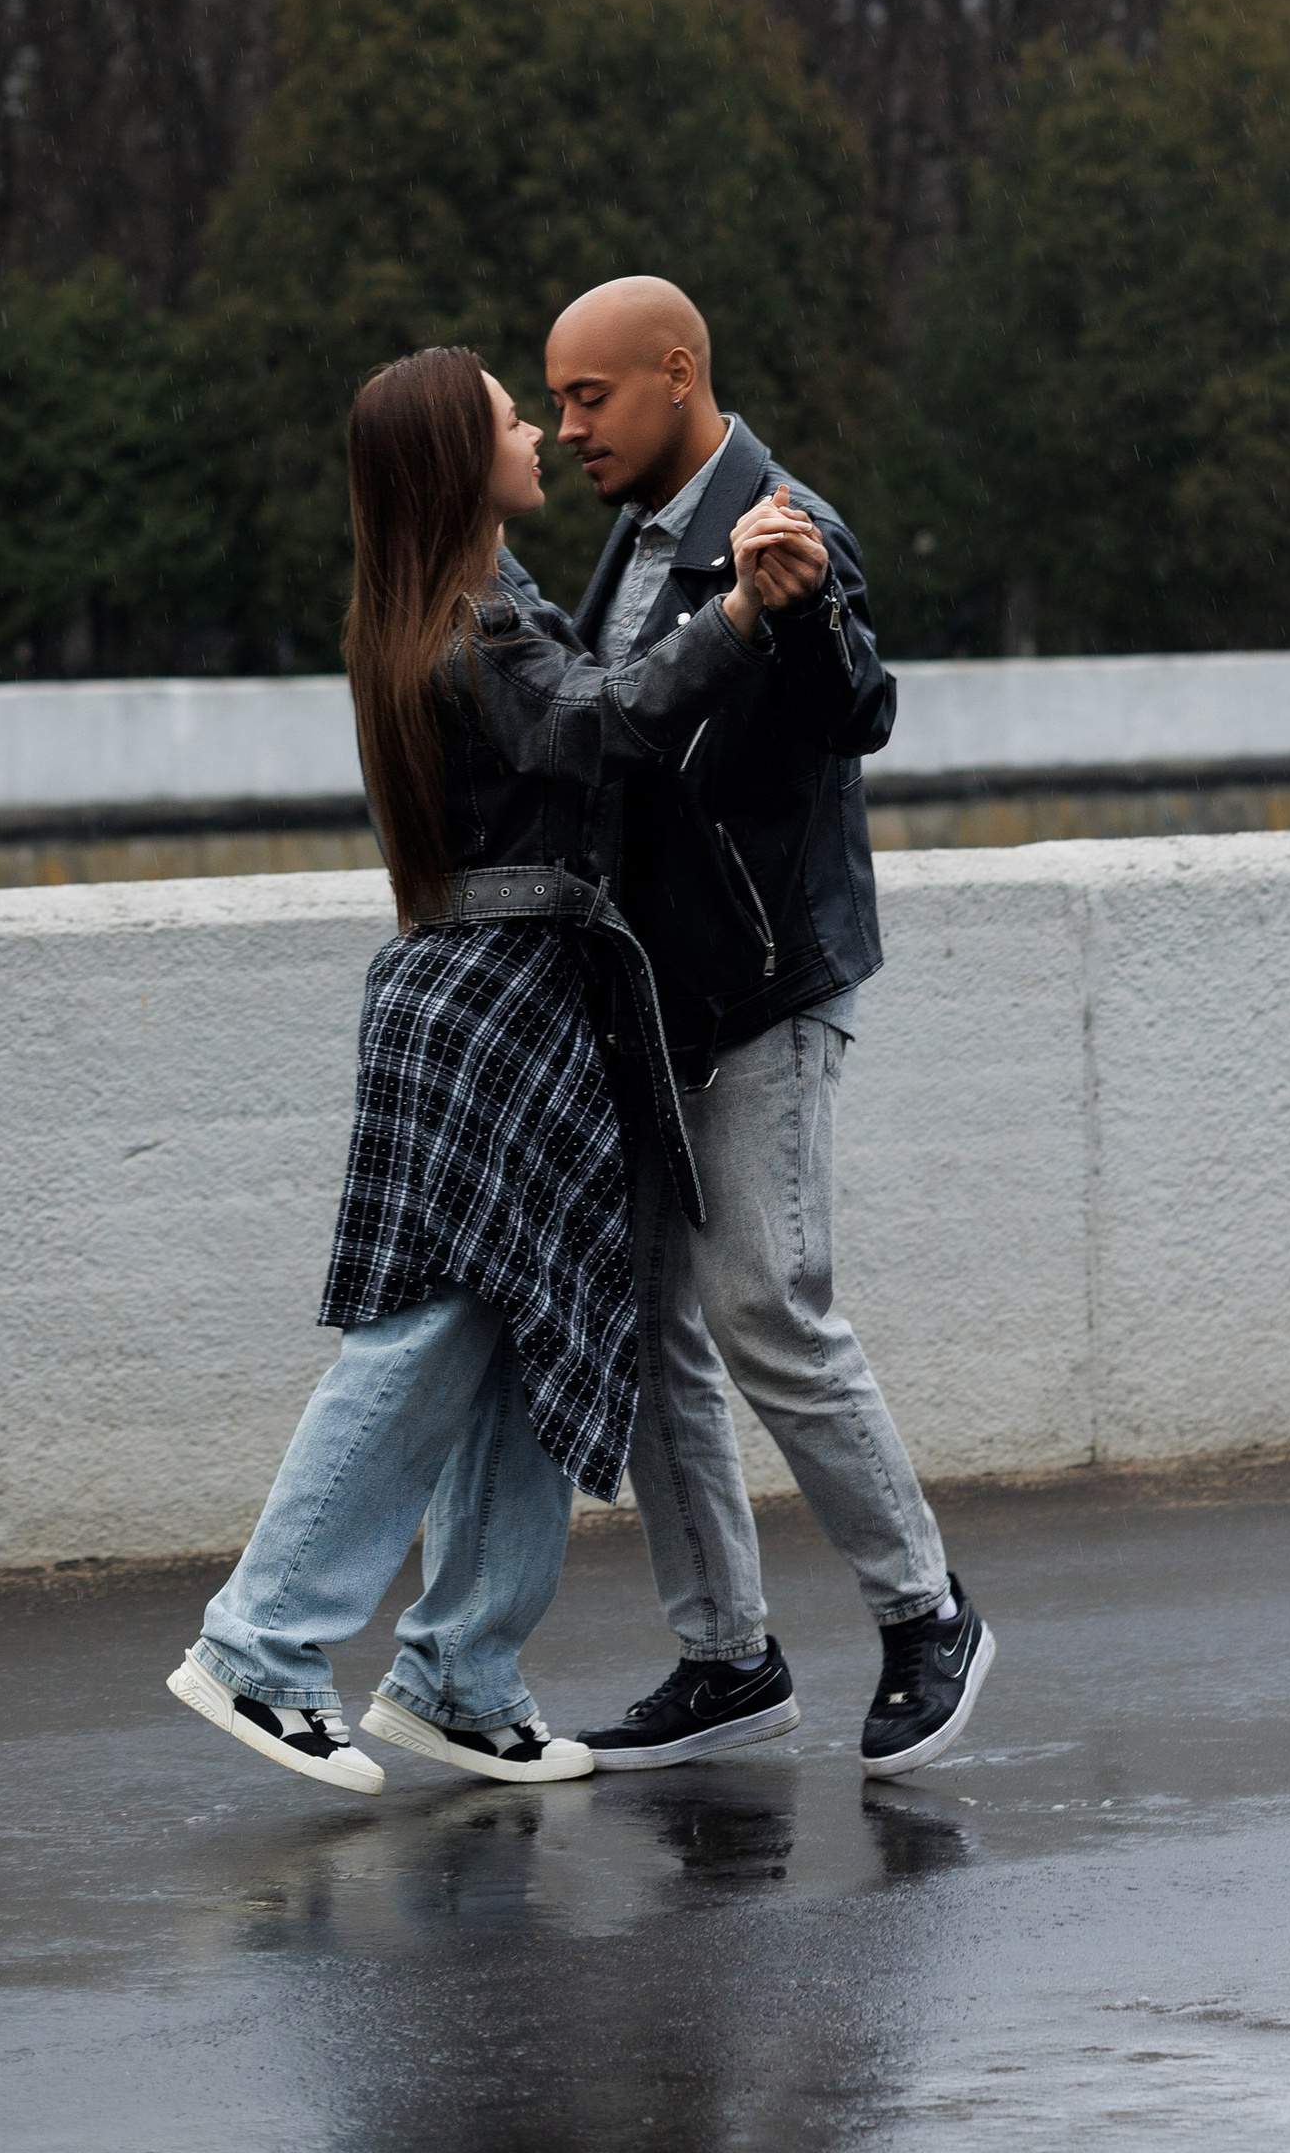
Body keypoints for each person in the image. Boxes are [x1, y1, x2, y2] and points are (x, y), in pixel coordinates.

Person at [165, 343, 824, 1796]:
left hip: (525, 1000)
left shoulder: (492, 605)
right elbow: (603, 729)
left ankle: (462, 1674)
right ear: (459, 467)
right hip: (490, 1008)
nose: (538, 429)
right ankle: (261, 1648)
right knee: (433, 1335)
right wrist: (730, 614)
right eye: (510, 419)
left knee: (535, 1331)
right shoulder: (470, 631)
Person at [542, 273, 995, 1782]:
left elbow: (857, 711)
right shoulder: (637, 541)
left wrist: (788, 611)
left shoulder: (784, 516)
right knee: (658, 1327)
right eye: (552, 400)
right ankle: (726, 1659)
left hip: (767, 987)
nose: (566, 428)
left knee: (764, 1305)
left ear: (678, 374)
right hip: (653, 999)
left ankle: (929, 1615)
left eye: (590, 396)